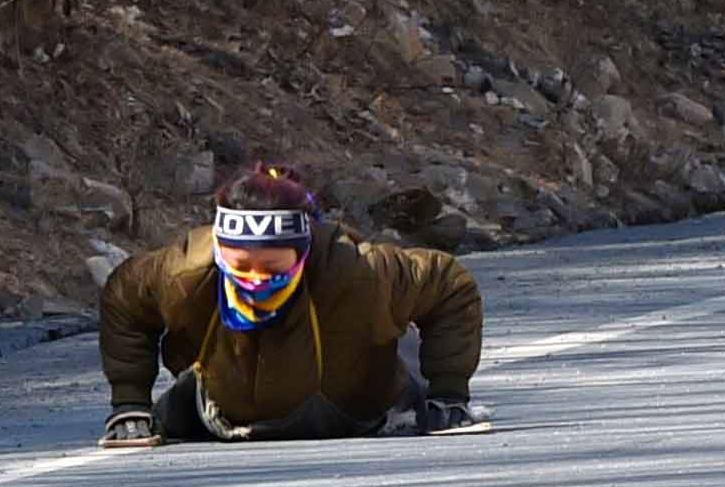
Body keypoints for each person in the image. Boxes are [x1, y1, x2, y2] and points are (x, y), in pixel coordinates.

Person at [95, 163, 489, 447]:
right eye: (240, 265)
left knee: (395, 344)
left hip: (360, 408)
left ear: (302, 253)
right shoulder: (184, 272)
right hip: (218, 415)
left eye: (272, 266)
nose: (255, 279)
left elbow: (449, 284)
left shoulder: (357, 269)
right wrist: (129, 402)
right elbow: (123, 298)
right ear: (219, 252)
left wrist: (449, 395)